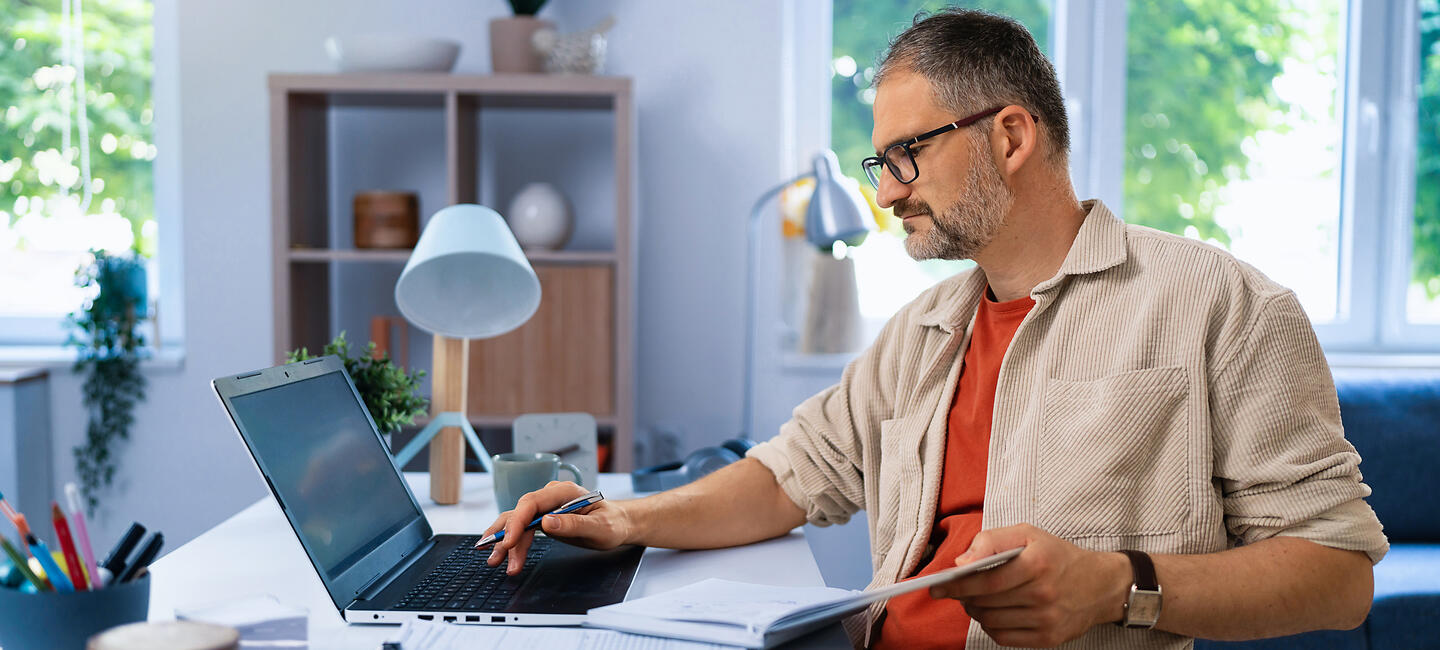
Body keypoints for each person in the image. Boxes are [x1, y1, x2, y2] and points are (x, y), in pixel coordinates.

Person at [482, 8, 1388, 649]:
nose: (884, 191)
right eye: (880, 162)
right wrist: (620, 519)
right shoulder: (924, 328)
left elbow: (1340, 576)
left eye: (906, 154)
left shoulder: (1225, 307)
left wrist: (1122, 586)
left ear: (1011, 136)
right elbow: (787, 477)